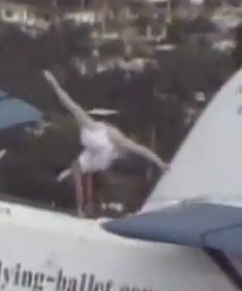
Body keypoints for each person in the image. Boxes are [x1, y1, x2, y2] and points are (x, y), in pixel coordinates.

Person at [43, 70, 168, 217]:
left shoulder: (119, 143)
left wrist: (161, 164)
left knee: (86, 174)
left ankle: (84, 205)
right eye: (123, 153)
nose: (123, 154)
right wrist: (54, 84)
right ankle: (80, 205)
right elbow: (70, 104)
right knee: (80, 172)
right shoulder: (95, 128)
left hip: (95, 161)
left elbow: (142, 150)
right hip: (89, 159)